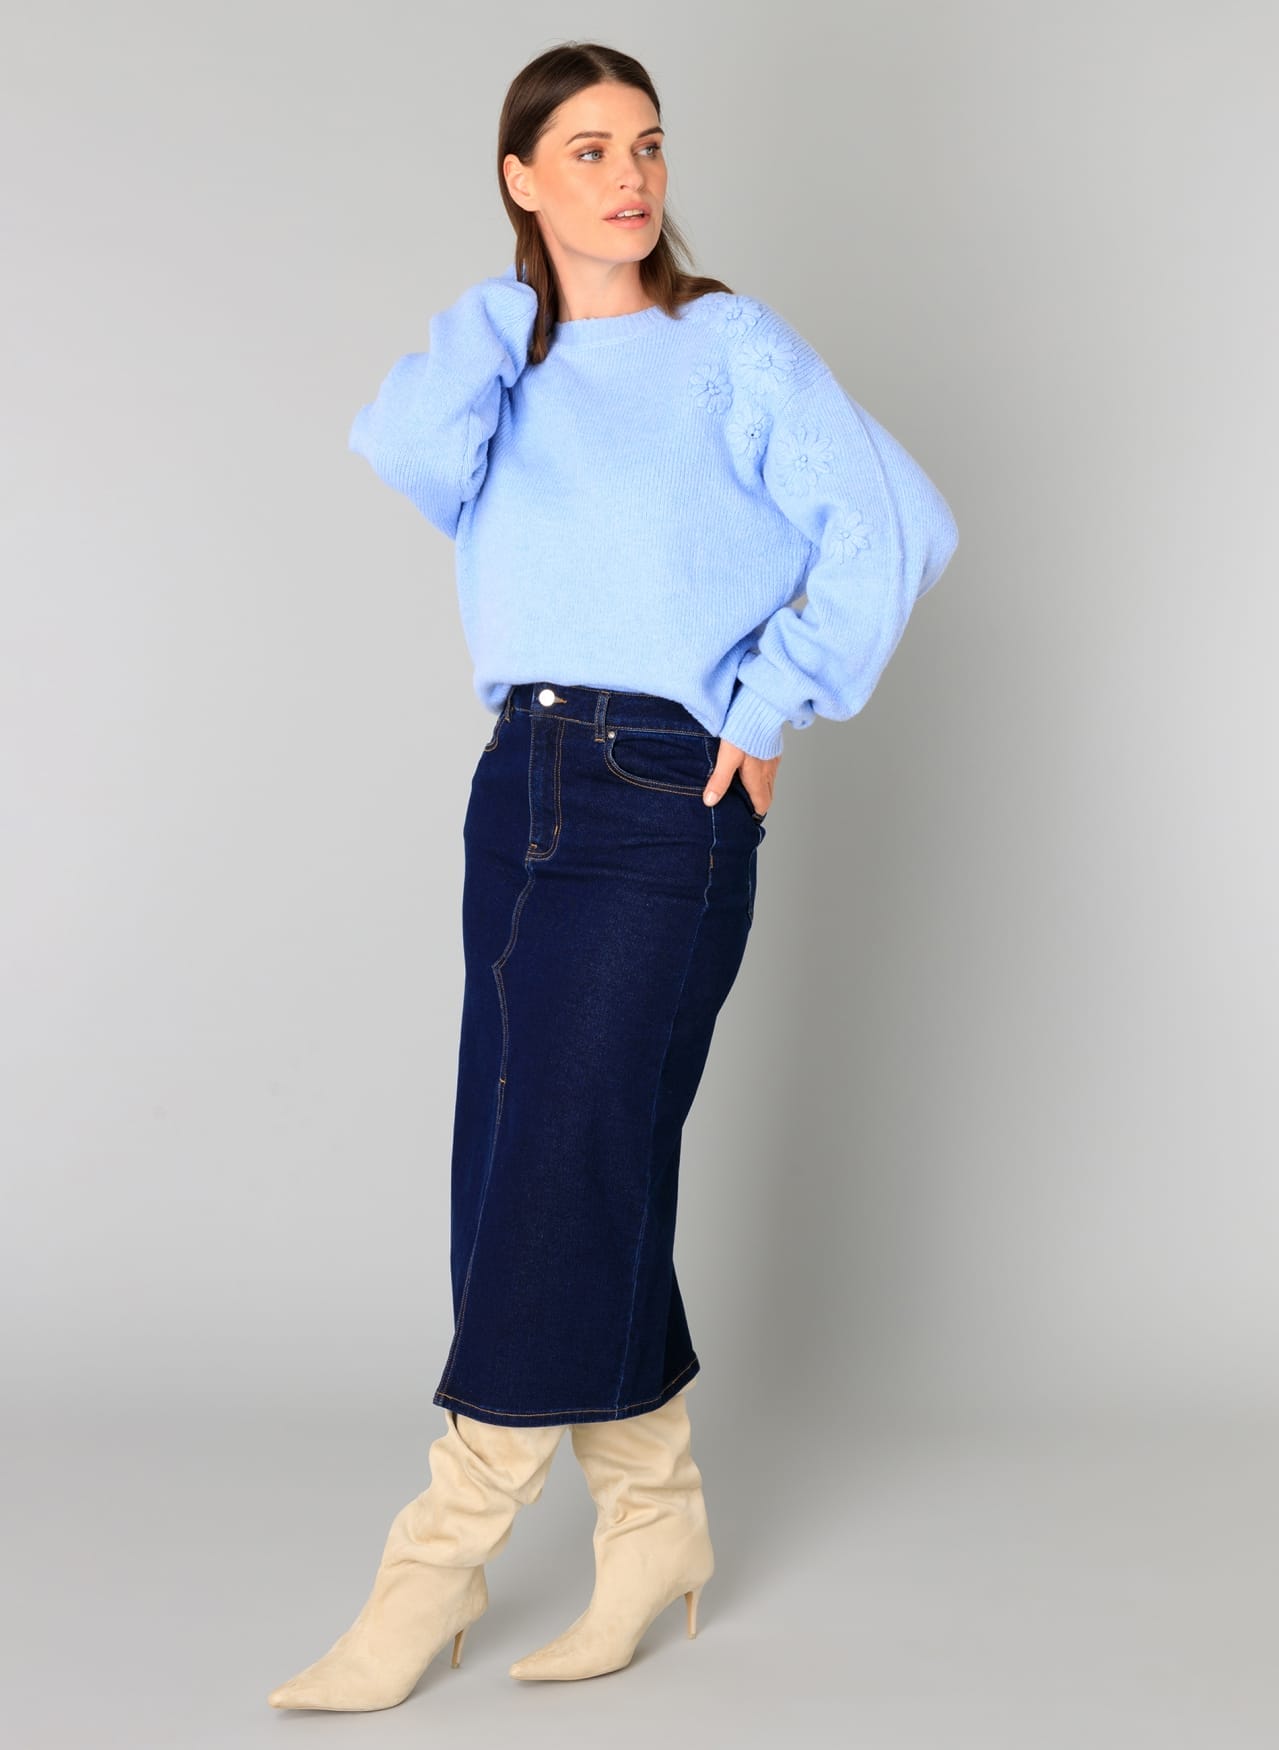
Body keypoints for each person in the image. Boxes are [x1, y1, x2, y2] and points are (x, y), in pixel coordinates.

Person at [268, 40, 958, 1711]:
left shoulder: (730, 345)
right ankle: (654, 1522)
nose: (631, 176)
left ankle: (435, 1564)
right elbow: (402, 446)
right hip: (519, 785)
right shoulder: (503, 373)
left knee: (561, 1164)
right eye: (585, 150)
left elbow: (896, 527)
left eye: (645, 145)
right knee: (522, 1155)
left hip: (661, 792)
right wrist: (506, 313)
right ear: (521, 178)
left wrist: (769, 698)